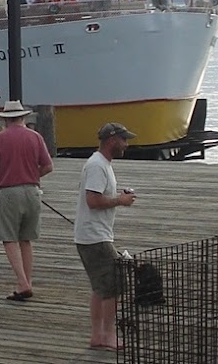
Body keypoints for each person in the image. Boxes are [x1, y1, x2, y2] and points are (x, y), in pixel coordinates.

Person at [0, 101, 52, 302]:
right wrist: (31, 176)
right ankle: (27, 281)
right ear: (23, 117)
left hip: (9, 192)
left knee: (9, 237)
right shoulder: (35, 137)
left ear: (4, 119)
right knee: (26, 239)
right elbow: (48, 167)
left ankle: (22, 283)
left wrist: (0, 182)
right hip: (32, 191)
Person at [75, 122, 137, 351]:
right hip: (95, 237)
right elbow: (93, 200)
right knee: (113, 287)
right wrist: (119, 201)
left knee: (100, 288)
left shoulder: (102, 164)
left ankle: (98, 335)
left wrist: (119, 197)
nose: (126, 145)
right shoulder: (97, 166)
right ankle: (109, 336)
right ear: (112, 140)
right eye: (124, 140)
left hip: (93, 235)